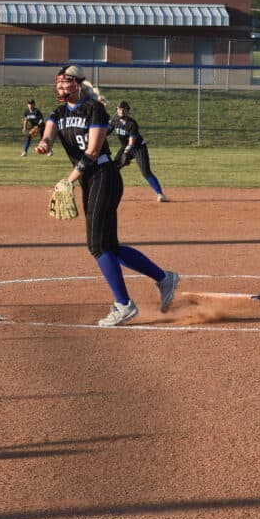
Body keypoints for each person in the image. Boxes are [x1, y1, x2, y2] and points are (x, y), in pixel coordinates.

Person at [35, 65, 179, 327]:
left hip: (104, 174)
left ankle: (124, 305)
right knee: (109, 246)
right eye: (58, 83)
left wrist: (68, 180)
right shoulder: (57, 112)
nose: (60, 87)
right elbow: (49, 133)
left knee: (97, 245)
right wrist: (45, 144)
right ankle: (164, 278)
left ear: (78, 84)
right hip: (90, 180)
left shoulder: (94, 109)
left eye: (66, 82)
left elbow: (92, 152)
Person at [110, 100, 167, 202]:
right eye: (119, 109)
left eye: (124, 109)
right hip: (125, 147)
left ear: (128, 111)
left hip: (138, 147)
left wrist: (126, 154)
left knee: (145, 171)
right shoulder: (115, 121)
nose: (121, 111)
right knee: (113, 169)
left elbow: (132, 142)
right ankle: (111, 193)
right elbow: (105, 131)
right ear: (116, 110)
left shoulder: (132, 124)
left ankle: (160, 194)